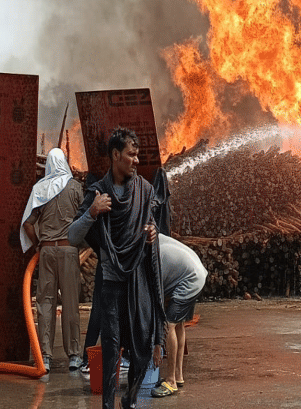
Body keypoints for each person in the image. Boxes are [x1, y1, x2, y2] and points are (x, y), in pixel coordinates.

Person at [68, 127, 165, 409]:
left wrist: (152, 233)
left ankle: (130, 400)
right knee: (111, 349)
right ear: (115, 155)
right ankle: (108, 406)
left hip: (139, 279)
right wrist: (92, 212)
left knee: (142, 346)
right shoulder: (99, 192)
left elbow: (149, 225)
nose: (136, 160)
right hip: (110, 283)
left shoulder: (145, 190)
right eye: (131, 155)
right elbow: (72, 235)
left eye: (137, 155)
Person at [20, 148, 84, 372]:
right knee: (70, 303)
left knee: (45, 304)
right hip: (68, 251)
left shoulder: (40, 188)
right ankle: (74, 356)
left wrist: (39, 244)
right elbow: (85, 217)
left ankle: (44, 356)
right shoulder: (75, 187)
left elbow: (28, 224)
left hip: (46, 252)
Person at [150, 234, 208, 398]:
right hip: (196, 273)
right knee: (179, 324)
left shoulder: (152, 257)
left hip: (189, 280)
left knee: (169, 325)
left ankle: (171, 381)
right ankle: (178, 376)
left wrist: (157, 344)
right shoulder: (155, 237)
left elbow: (157, 302)